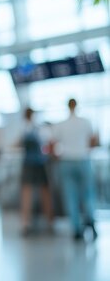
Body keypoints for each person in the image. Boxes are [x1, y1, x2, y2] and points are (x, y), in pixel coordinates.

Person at [52, 98, 99, 241]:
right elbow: (94, 141)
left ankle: (76, 229)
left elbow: (53, 144)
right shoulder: (86, 122)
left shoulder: (61, 124)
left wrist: (58, 156)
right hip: (83, 159)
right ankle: (90, 220)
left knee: (70, 195)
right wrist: (85, 149)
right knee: (88, 194)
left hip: (66, 161)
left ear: (67, 107)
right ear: (77, 105)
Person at [18, 108, 53, 235]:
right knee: (45, 192)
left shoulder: (24, 128)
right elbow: (48, 145)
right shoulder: (41, 128)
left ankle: (25, 223)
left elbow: (18, 144)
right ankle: (49, 221)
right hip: (40, 164)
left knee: (26, 193)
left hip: (28, 164)